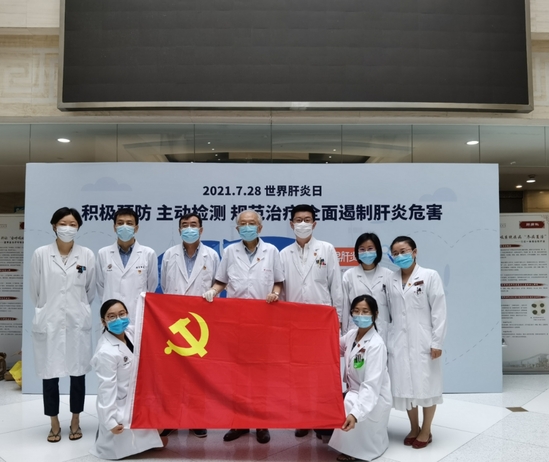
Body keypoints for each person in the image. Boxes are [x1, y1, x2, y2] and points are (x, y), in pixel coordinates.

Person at [203, 209, 284, 444]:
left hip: (263, 322)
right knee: (236, 375)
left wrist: (274, 293)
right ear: (237, 228)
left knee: (260, 375)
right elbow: (221, 280)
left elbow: (278, 282)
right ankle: (238, 423)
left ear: (260, 227)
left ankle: (261, 424)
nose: (247, 227)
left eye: (252, 223)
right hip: (235, 322)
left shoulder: (272, 251)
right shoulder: (230, 251)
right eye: (243, 224)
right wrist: (213, 291)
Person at [29, 207, 95, 443]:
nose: (68, 228)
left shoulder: (86, 255)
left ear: (78, 228)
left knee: (78, 374)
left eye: (73, 224)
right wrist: (46, 311)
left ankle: (75, 419)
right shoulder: (41, 254)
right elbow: (35, 291)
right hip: (50, 321)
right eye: (63, 224)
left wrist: (79, 310)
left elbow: (89, 290)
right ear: (54, 226)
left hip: (77, 322)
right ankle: (54, 422)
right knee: (50, 374)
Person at [279, 204, 343, 438]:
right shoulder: (284, 254)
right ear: (291, 224)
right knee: (299, 374)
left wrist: (338, 319)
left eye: (307, 220)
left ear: (314, 224)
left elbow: (336, 286)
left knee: (321, 373)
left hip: (322, 322)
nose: (303, 224)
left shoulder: (326, 249)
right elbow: (281, 291)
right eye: (298, 220)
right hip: (295, 323)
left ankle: (321, 419)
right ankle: (303, 419)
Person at [160, 212, 220, 438]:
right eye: (184, 225)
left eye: (193, 225)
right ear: (179, 230)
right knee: (173, 373)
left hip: (200, 322)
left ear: (201, 230)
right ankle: (172, 418)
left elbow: (217, 285)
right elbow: (164, 285)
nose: (189, 228)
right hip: (174, 321)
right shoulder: (169, 255)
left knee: (198, 373)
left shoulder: (212, 255)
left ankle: (197, 419)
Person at [386, 236, 447, 449]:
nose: (400, 256)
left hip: (424, 341)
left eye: (404, 251)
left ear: (414, 252)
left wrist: (437, 342)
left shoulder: (430, 275)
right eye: (395, 253)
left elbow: (439, 311)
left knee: (427, 386)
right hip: (399, 342)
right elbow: (389, 312)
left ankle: (426, 429)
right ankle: (413, 427)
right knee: (405, 388)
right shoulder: (391, 279)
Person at [90, 299, 165, 459]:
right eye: (112, 316)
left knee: (163, 424)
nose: (118, 319)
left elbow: (153, 326)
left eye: (122, 314)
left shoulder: (130, 332)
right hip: (121, 405)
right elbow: (106, 390)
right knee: (122, 444)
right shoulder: (105, 352)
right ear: (103, 322)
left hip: (138, 396)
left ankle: (150, 440)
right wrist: (110, 421)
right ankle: (109, 432)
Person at [329, 295, 392, 461]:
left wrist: (356, 414)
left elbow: (371, 386)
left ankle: (357, 451)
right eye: (356, 311)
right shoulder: (352, 335)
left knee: (350, 404)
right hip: (355, 390)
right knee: (345, 400)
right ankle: (349, 446)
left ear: (375, 314)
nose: (360, 315)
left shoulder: (376, 345)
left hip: (373, 396)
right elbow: (334, 346)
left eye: (365, 311)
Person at [96, 208, 158, 326]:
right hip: (112, 318)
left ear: (136, 228)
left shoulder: (148, 254)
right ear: (114, 227)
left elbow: (151, 287)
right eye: (120, 223)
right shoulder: (103, 253)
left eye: (129, 223)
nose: (124, 226)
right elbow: (101, 287)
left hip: (137, 316)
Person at [341, 233, 392, 343]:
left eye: (370, 248)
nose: (366, 252)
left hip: (382, 331)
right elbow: (345, 308)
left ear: (377, 250)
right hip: (356, 330)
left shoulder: (389, 275)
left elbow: (393, 309)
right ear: (357, 252)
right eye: (362, 249)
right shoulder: (349, 275)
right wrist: (345, 334)